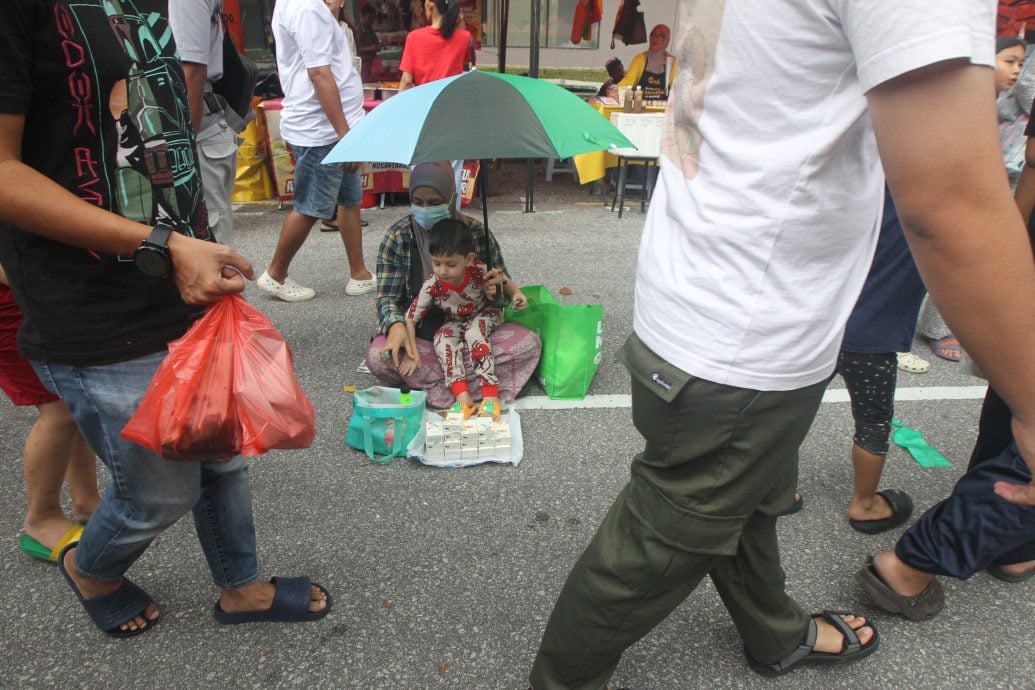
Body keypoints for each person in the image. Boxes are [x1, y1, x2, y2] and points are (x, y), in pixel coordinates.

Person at [529, 1, 1035, 686]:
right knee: (654, 546)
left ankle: (773, 632)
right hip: (743, 330)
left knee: (748, 496)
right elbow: (949, 203)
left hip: (709, 288)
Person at [0, 0, 329, 637]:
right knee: (157, 492)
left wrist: (194, 242)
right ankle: (93, 568)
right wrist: (164, 245)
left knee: (221, 451)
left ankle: (242, 588)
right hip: (89, 298)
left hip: (181, 280)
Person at [366, 162, 541, 410]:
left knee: (528, 343)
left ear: (452, 198)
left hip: (476, 326)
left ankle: (438, 388)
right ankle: (470, 386)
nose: (425, 209)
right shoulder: (397, 237)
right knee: (378, 356)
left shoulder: (477, 233)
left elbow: (501, 286)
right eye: (418, 201)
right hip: (427, 334)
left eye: (434, 202)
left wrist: (496, 291)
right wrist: (396, 327)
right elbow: (387, 298)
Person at [916, 35, 1027, 362]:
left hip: (1000, 176)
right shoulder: (969, 100)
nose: (1017, 71)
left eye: (1020, 64)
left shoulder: (996, 96)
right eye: (1009, 62)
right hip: (968, 186)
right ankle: (933, 330)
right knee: (953, 254)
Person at [259, 0, 375, 302]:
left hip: (334, 125)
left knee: (349, 200)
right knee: (311, 206)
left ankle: (359, 273)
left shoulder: (302, 5)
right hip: (322, 129)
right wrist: (344, 136)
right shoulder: (307, 8)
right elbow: (319, 74)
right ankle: (275, 274)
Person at [829, 189, 927, 534]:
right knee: (872, 424)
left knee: (792, 412)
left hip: (818, 329)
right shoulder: (922, 195)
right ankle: (865, 504)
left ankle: (779, 493)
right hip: (874, 337)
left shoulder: (851, 185)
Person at [1, 266, 101, 563]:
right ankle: (40, 520)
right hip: (15, 305)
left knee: (76, 400)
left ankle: (87, 502)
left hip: (43, 301)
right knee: (59, 411)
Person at [401, 218, 528, 419]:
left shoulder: (478, 270)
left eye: (450, 264)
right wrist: (411, 351)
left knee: (474, 333)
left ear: (468, 259)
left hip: (485, 315)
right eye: (436, 263)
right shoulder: (432, 284)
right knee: (441, 337)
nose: (442, 270)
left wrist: (517, 295)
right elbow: (410, 318)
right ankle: (463, 398)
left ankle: (490, 396)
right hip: (457, 322)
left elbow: (503, 279)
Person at [169, 0, 246, 248]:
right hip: (197, 125)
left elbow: (191, 69)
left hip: (197, 128)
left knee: (208, 244)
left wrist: (183, 147)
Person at [399, 0, 473, 208]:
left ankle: (422, 224)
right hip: (453, 114)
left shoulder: (414, 38)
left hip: (423, 114)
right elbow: (465, 70)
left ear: (431, 5)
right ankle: (452, 222)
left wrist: (399, 114)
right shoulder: (464, 37)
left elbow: (406, 81)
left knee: (421, 171)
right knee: (454, 173)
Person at [615, 23, 678, 101]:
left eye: (661, 36)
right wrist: (614, 90)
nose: (655, 38)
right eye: (653, 35)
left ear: (667, 40)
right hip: (640, 108)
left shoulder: (673, 62)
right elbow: (628, 81)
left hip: (664, 110)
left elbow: (677, 87)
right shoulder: (639, 59)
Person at [357, 5, 380, 83]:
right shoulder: (358, 30)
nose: (372, 20)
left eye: (373, 17)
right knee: (365, 84)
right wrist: (370, 48)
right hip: (364, 63)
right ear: (363, 16)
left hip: (372, 63)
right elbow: (356, 49)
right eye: (370, 17)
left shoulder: (370, 29)